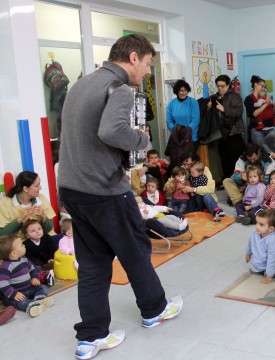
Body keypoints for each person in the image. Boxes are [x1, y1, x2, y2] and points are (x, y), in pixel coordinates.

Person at [58, 34, 183, 358]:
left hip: (72, 189)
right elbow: (111, 132)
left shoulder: (83, 84)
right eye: (146, 65)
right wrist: (141, 140)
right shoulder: (121, 89)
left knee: (93, 264)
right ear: (132, 57)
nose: (146, 73)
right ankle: (154, 309)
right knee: (135, 250)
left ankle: (91, 337)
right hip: (104, 190)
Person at [0, 234, 54, 318]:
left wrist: (35, 277)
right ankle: (31, 306)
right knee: (19, 302)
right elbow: (3, 284)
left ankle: (40, 298)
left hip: (29, 288)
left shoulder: (24, 259)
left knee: (42, 287)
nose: (24, 245)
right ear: (14, 253)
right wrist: (14, 294)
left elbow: (33, 269)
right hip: (17, 294)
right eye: (21, 245)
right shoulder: (6, 267)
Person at [168, 152, 225, 221]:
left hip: (204, 197)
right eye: (184, 164)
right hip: (190, 198)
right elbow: (170, 181)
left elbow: (211, 188)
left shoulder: (203, 169)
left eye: (188, 163)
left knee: (206, 196)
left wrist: (193, 189)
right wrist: (173, 184)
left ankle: (216, 211)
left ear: (194, 161)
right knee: (180, 208)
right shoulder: (182, 170)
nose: (186, 166)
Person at [0, 171, 56, 239]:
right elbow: (2, 234)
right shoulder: (4, 203)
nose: (40, 188)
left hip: (42, 240)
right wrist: (20, 219)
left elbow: (49, 229)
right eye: (37, 186)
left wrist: (43, 216)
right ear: (25, 189)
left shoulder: (41, 198)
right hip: (20, 244)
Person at [210, 74, 245, 178]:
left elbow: (239, 111)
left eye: (223, 86)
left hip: (233, 133)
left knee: (234, 159)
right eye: (218, 86)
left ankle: (236, 180)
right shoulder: (215, 97)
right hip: (220, 134)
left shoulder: (234, 96)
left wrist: (224, 109)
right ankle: (226, 180)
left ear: (228, 85)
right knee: (223, 158)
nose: (220, 88)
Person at [245, 209, 275, 284]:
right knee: (254, 271)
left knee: (272, 273)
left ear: (271, 229)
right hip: (260, 260)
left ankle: (273, 272)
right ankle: (262, 269)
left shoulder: (274, 239)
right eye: (257, 223)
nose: (257, 226)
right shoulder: (255, 232)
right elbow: (250, 243)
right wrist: (248, 253)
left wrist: (269, 275)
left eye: (261, 225)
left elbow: (272, 259)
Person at [244, 75, 275, 146]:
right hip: (257, 130)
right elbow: (254, 114)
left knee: (272, 150)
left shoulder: (265, 97)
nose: (264, 88)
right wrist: (266, 104)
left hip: (270, 128)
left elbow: (273, 113)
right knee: (260, 150)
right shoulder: (249, 99)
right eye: (262, 86)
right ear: (255, 85)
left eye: (265, 87)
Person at [165, 79, 200, 149]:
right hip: (177, 138)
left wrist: (186, 133)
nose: (183, 92)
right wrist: (176, 132)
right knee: (177, 159)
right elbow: (169, 121)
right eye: (181, 90)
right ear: (177, 91)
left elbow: (195, 120)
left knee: (189, 159)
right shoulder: (171, 104)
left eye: (185, 90)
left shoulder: (193, 102)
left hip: (191, 138)